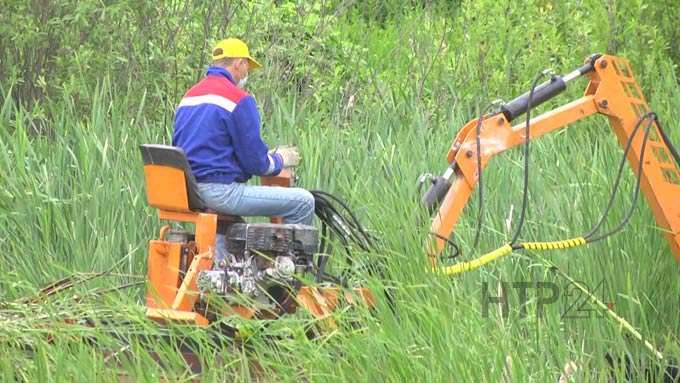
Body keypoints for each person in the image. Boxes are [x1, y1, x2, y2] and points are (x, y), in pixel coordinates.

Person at [172, 38, 315, 262]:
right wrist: (280, 159)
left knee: (236, 226)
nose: (246, 74)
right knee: (303, 201)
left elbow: (198, 149)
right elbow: (256, 164)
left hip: (188, 192)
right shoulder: (238, 99)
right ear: (238, 63)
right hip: (219, 193)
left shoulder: (189, 97)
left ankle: (226, 273)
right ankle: (290, 282)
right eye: (247, 67)